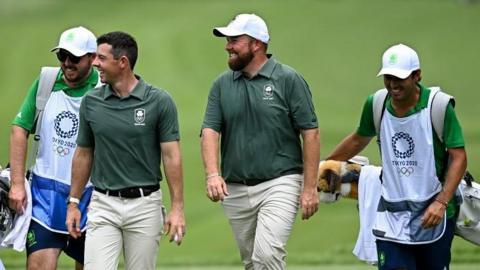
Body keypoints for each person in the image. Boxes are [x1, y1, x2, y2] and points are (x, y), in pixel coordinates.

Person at [327, 43, 467, 270]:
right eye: (388, 77)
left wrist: (441, 201)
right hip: (391, 214)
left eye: (399, 78)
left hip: (434, 213)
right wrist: (326, 165)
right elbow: (358, 139)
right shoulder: (377, 104)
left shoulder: (438, 107)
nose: (393, 84)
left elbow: (459, 157)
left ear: (417, 76)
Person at [201, 13, 320, 270]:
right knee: (252, 263)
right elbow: (210, 130)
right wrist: (212, 174)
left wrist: (309, 187)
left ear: (256, 44)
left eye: (234, 40)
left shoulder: (288, 80)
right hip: (234, 189)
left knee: (266, 257)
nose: (227, 46)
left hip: (280, 182)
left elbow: (310, 133)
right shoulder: (221, 85)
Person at [65, 31, 186, 270]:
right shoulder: (91, 102)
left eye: (101, 58)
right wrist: (73, 203)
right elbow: (84, 153)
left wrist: (177, 208)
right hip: (103, 204)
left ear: (122, 63)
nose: (95, 63)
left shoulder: (159, 102)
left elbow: (171, 156)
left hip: (145, 205)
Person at [8, 26, 99, 270]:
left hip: (90, 198)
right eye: (62, 56)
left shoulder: (103, 90)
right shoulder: (46, 82)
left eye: (75, 58)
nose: (67, 63)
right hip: (45, 196)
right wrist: (17, 183)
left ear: (92, 58)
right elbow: (20, 128)